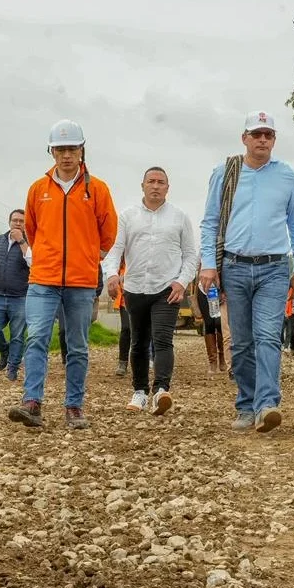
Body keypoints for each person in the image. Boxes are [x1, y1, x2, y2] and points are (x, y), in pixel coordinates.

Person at [198, 110, 294, 433]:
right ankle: (246, 404)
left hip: (274, 268)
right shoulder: (225, 173)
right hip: (233, 266)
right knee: (242, 341)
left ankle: (267, 405)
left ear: (274, 140)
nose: (262, 140)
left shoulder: (289, 177)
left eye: (268, 135)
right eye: (256, 134)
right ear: (244, 138)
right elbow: (210, 222)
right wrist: (208, 264)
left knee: (267, 336)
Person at [8, 119, 117, 429]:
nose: (66, 155)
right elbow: (31, 228)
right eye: (60, 149)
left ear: (82, 151)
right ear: (51, 152)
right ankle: (32, 402)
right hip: (43, 278)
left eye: (72, 149)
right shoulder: (38, 190)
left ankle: (74, 406)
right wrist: (44, 255)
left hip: (81, 283)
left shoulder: (97, 189)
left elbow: (108, 232)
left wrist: (89, 257)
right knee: (37, 338)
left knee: (78, 344)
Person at [105, 166, 200, 416]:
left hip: (166, 289)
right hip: (135, 288)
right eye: (151, 181)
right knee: (138, 341)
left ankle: (161, 390)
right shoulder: (127, 216)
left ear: (168, 188)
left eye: (161, 182)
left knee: (162, 340)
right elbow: (116, 249)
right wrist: (112, 274)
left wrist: (181, 281)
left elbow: (191, 254)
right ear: (143, 186)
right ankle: (140, 392)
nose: (156, 186)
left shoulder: (179, 217)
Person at [0, 209, 30, 381]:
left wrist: (22, 241)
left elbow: (34, 262)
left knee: (17, 335)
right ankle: (5, 352)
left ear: (25, 224)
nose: (17, 223)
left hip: (21, 296)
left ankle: (13, 368)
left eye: (21, 221)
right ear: (9, 222)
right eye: (15, 220)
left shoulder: (30, 242)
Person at [196, 275, 227, 374]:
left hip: (220, 287)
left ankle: (222, 357)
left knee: (219, 323)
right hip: (203, 288)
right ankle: (212, 361)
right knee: (208, 324)